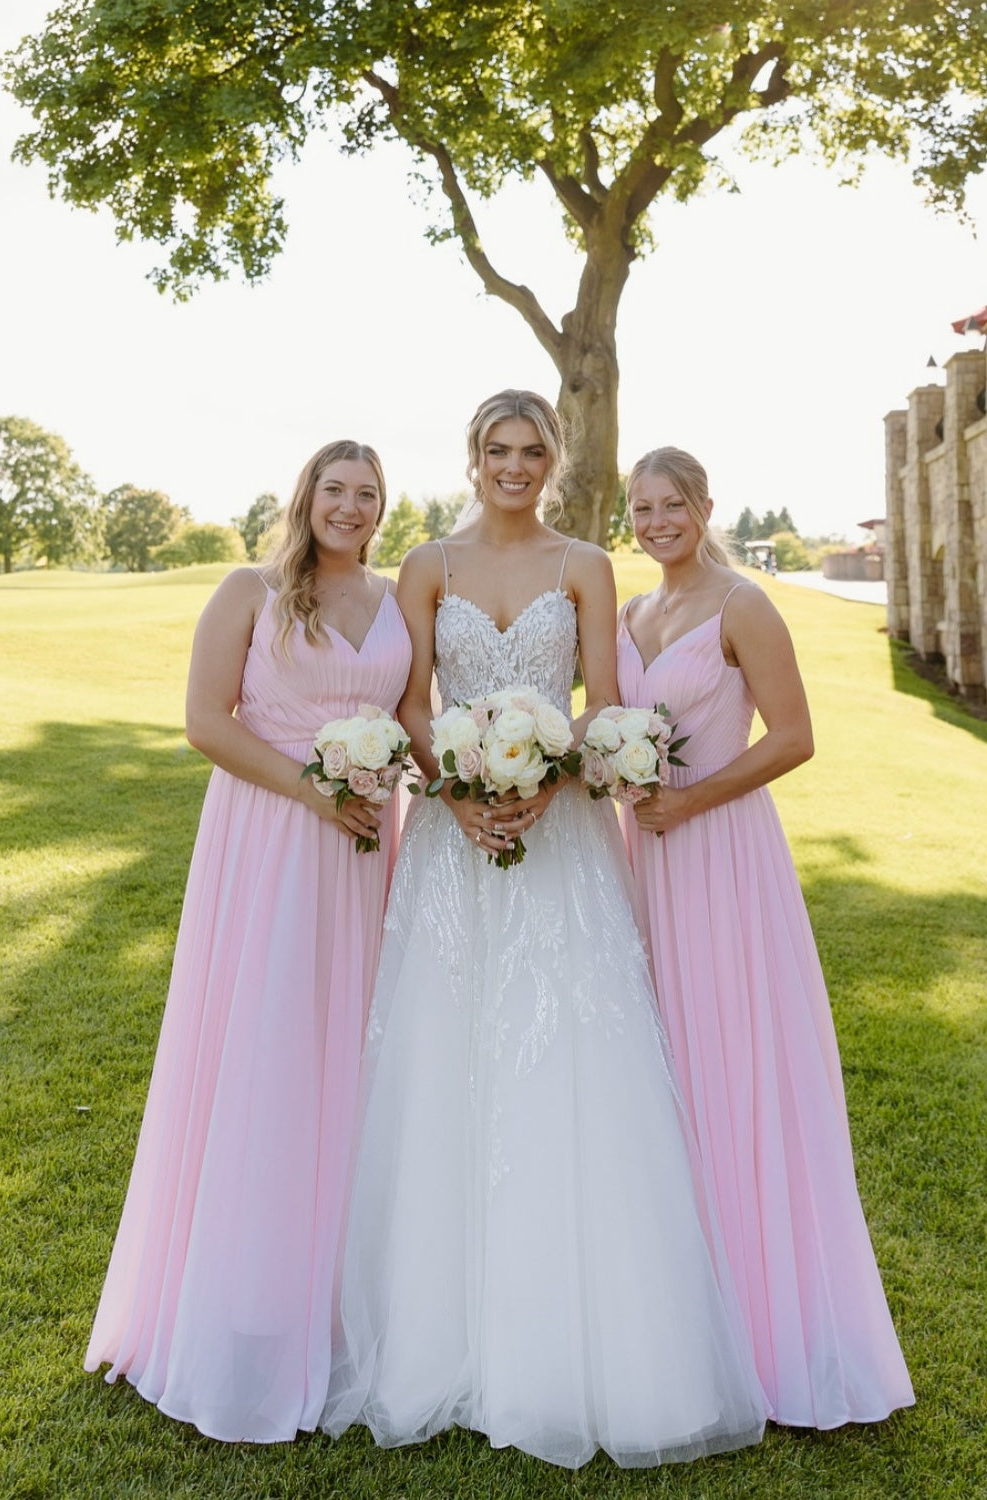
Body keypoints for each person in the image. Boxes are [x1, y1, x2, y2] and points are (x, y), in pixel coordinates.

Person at [323, 393, 767, 1469]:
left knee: (570, 1062)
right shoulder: (427, 564)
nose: (513, 466)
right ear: (473, 458)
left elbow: (604, 702)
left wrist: (547, 777)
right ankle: (439, 1339)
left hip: (561, 840)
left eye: (530, 451)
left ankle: (576, 1346)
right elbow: (414, 703)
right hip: (450, 844)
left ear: (553, 461)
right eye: (496, 449)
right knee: (447, 1061)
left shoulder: (586, 565)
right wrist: (460, 789)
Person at [85, 440, 413, 1442]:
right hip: (272, 838)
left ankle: (338, 1301)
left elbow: (413, 719)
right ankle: (244, 1305)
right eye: (335, 490)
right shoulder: (249, 591)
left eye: (367, 494)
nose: (350, 507)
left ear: (382, 508)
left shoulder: (398, 600)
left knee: (354, 1051)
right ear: (306, 497)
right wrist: (311, 791)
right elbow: (204, 721)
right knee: (268, 1049)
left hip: (366, 849)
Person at [616, 445, 915, 1429]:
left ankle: (770, 1327)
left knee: (735, 1063)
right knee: (664, 1065)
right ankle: (683, 1311)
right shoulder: (630, 615)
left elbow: (793, 737)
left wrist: (692, 798)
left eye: (673, 504)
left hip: (721, 856)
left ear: (706, 507)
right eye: (642, 508)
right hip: (643, 858)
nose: (658, 522)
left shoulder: (743, 606)